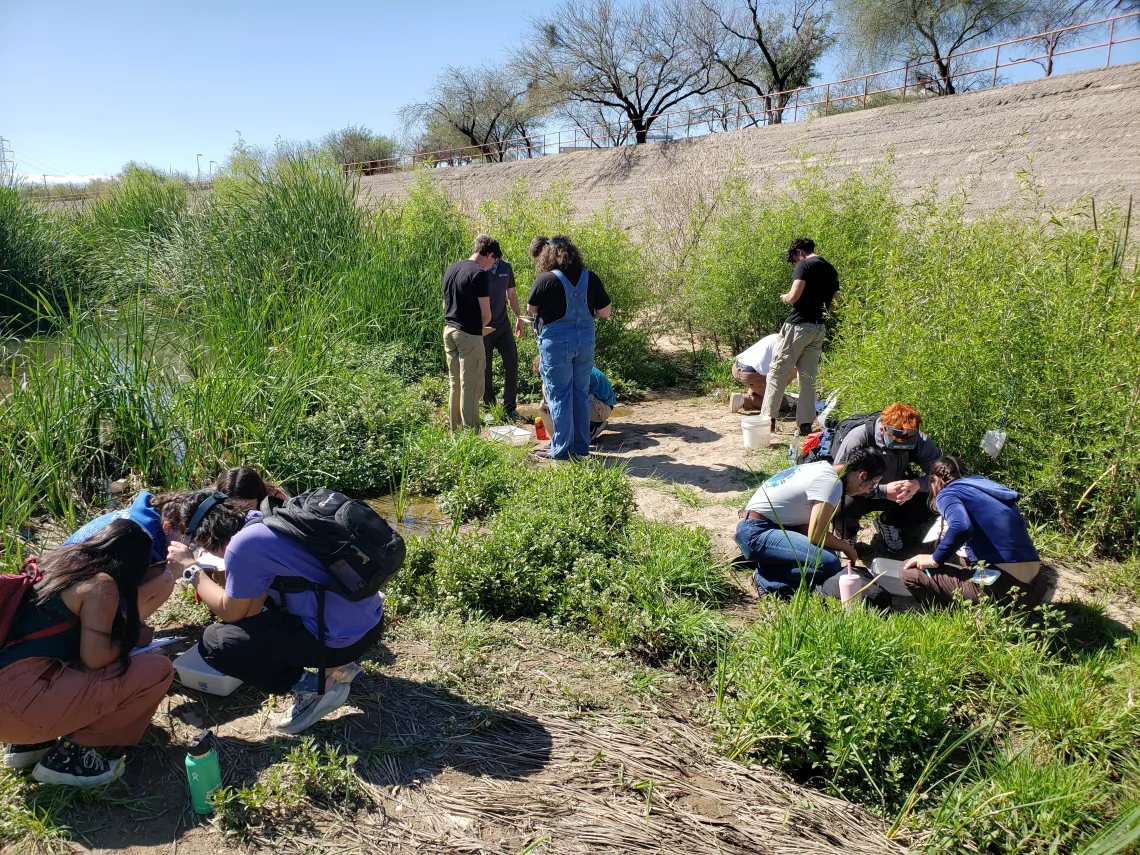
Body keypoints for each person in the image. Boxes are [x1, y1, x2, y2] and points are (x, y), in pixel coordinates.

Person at [164, 493, 385, 734]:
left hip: (340, 642)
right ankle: (340, 666)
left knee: (215, 643)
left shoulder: (242, 547)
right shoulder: (262, 520)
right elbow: (253, 610)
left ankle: (315, 688)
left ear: (204, 537)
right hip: (369, 623)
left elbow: (232, 615)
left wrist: (191, 570)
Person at [0, 520, 176, 786]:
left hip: (12, 695)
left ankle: (27, 746)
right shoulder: (100, 584)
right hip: (23, 703)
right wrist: (132, 642)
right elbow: (96, 657)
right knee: (157, 670)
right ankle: (71, 758)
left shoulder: (55, 564)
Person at [735, 447, 886, 597]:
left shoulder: (822, 467)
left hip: (757, 525)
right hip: (757, 531)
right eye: (872, 484)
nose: (868, 490)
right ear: (862, 475)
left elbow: (805, 527)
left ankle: (768, 560)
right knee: (828, 563)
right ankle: (764, 578)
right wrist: (847, 547)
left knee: (824, 554)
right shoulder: (831, 483)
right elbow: (815, 535)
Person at [901, 457, 1046, 607]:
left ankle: (950, 616)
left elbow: (961, 527)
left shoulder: (948, 492)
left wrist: (934, 559)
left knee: (909, 571)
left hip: (1005, 590)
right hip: (1035, 587)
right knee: (964, 556)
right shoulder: (987, 487)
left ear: (935, 480)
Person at [527, 235, 612, 460]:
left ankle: (562, 451)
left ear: (548, 256)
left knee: (560, 396)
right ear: (575, 255)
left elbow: (531, 309)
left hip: (556, 345)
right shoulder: (590, 278)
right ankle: (581, 449)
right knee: (580, 395)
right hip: (585, 343)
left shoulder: (545, 279)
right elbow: (605, 312)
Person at [831, 403, 941, 553]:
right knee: (840, 508)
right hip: (860, 492)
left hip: (900, 492)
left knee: (933, 499)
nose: (903, 446)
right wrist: (882, 491)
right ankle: (847, 536)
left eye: (908, 443)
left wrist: (916, 484)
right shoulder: (858, 438)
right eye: (897, 442)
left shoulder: (919, 440)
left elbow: (940, 476)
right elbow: (838, 482)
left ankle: (889, 523)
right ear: (882, 429)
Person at [759, 237, 839, 437]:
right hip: (818, 328)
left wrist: (784, 297)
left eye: (794, 259)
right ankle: (804, 425)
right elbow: (835, 305)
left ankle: (767, 420)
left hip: (797, 326)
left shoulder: (804, 265)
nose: (796, 263)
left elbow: (794, 296)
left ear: (799, 253)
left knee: (778, 372)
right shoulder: (830, 269)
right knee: (808, 379)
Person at [442, 235, 494, 431]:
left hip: (449, 330)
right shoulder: (479, 274)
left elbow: (445, 304)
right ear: (489, 254)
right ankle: (472, 434)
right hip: (468, 335)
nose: (492, 266)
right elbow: (486, 314)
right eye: (494, 261)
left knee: (455, 383)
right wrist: (478, 329)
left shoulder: (452, 268)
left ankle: (455, 431)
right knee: (470, 386)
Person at [482, 241, 527, 422]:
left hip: (503, 326)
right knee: (485, 368)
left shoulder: (506, 267)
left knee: (512, 363)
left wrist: (518, 317)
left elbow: (512, 294)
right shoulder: (479, 269)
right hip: (484, 327)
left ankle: (510, 407)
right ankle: (489, 408)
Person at [534, 357, 616, 443]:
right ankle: (558, 440)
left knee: (564, 401)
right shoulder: (566, 367)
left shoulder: (570, 372)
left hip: (602, 408)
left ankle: (594, 425)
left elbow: (566, 399)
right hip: (597, 403)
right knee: (547, 400)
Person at [729, 332, 797, 414]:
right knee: (781, 404)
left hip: (737, 368)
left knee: (766, 385)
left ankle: (755, 393)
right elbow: (782, 383)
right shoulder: (792, 348)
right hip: (751, 375)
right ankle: (742, 400)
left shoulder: (776, 337)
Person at [214, 465, 289, 512]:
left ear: (259, 496)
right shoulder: (213, 500)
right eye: (232, 507)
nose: (241, 513)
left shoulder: (278, 501)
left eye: (246, 507)